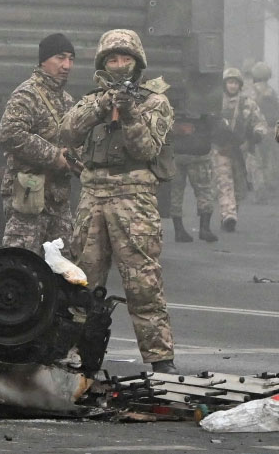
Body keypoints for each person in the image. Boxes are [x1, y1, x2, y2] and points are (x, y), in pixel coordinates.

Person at [61, 28, 179, 374]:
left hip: (134, 197)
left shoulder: (155, 102)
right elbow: (67, 132)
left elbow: (146, 149)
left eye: (125, 58)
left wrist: (128, 114)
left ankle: (160, 358)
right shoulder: (92, 99)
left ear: (137, 62)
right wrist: (101, 106)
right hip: (93, 196)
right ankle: (79, 356)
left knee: (143, 281)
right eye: (112, 58)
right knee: (83, 282)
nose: (119, 64)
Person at [0, 33, 77, 256]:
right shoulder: (27, 94)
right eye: (60, 58)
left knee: (62, 267)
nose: (67, 65)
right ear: (43, 60)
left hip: (58, 198)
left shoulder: (67, 100)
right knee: (21, 263)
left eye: (71, 59)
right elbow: (10, 133)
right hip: (29, 196)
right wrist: (53, 156)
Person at [211, 67, 268, 232]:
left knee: (239, 187)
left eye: (235, 83)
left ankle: (230, 213)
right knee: (224, 182)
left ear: (240, 85)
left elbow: (259, 121)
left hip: (241, 151)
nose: (233, 86)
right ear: (224, 84)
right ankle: (228, 215)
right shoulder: (216, 103)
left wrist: (258, 134)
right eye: (230, 82)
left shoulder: (247, 104)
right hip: (221, 149)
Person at [167, 86, 219, 242]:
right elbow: (214, 125)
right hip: (198, 153)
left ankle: (179, 231)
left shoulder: (168, 98)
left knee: (175, 192)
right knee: (204, 190)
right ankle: (204, 228)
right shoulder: (205, 99)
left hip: (176, 153)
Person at [247, 62, 279, 200]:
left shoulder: (250, 91)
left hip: (257, 131)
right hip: (271, 130)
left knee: (255, 161)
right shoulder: (272, 92)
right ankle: (269, 187)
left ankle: (259, 191)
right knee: (268, 161)